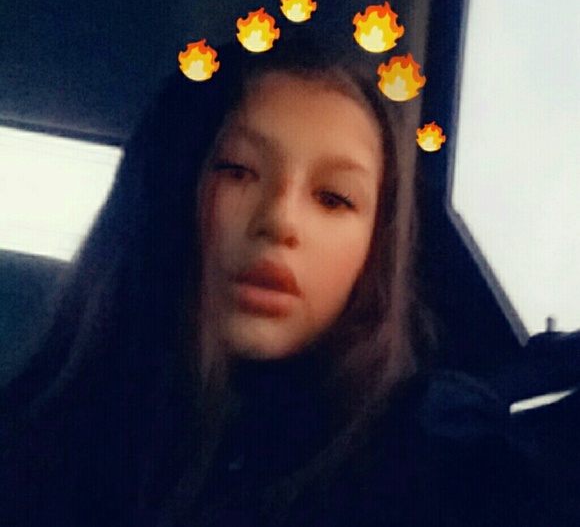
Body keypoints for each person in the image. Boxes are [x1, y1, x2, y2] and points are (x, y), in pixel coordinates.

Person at [1, 34, 546, 526]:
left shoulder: (436, 463)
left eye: (334, 198)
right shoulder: (31, 448)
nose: (281, 221)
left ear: (376, 249)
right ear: (166, 188)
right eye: (237, 171)